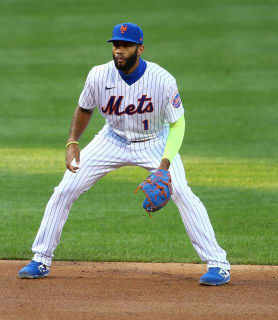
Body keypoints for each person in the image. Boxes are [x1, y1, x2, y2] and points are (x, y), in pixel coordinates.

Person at [19, 22, 231, 285]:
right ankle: (40, 259)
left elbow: (177, 123)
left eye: (126, 46)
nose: (119, 50)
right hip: (112, 139)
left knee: (183, 193)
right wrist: (73, 140)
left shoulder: (162, 80)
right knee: (65, 189)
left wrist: (164, 166)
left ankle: (218, 264)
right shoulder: (98, 75)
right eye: (116, 45)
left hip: (154, 141)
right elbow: (85, 108)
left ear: (139, 49)